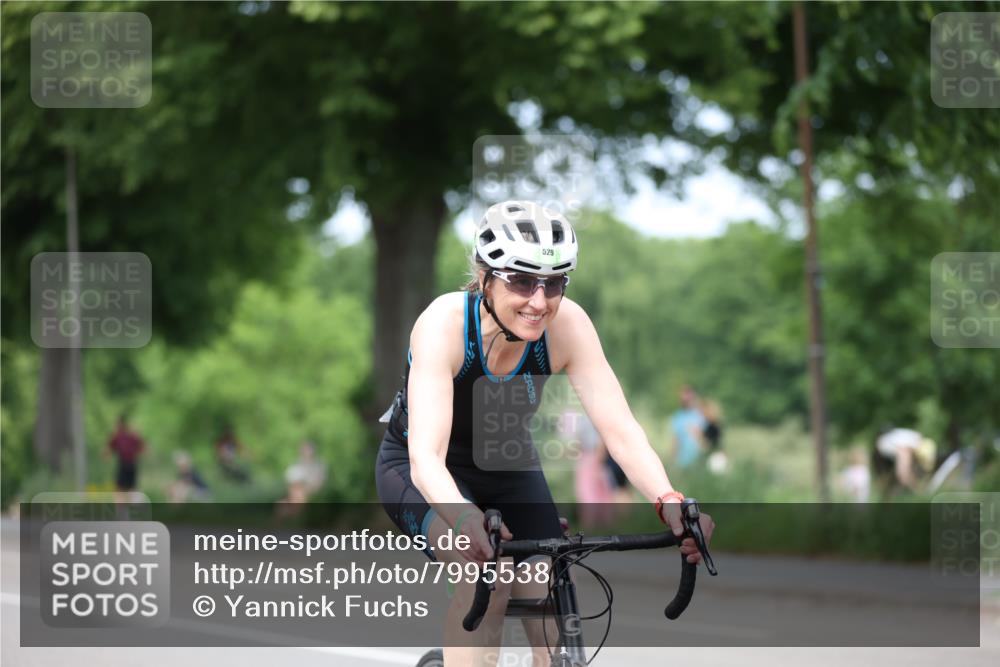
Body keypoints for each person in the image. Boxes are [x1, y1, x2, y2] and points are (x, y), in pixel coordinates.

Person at [374, 200, 715, 667]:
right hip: (422, 472)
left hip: (509, 466)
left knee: (552, 600)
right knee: (487, 582)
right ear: (485, 276)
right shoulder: (444, 325)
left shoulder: (568, 325)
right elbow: (427, 458)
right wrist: (467, 520)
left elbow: (620, 430)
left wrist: (668, 499)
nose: (539, 301)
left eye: (553, 283)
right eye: (521, 280)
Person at [874, 425, 937, 496]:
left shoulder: (909, 440)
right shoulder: (904, 445)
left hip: (891, 445)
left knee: (904, 475)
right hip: (891, 448)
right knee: (903, 475)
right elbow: (903, 474)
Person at [107, 415, 145, 497]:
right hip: (123, 464)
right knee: (121, 489)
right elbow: (109, 449)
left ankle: (132, 505)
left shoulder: (131, 437)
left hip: (130, 464)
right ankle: (123, 508)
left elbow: (144, 449)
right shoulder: (117, 437)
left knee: (129, 488)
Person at [670, 385, 706, 469]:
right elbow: (676, 440)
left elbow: (707, 438)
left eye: (689, 399)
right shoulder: (677, 417)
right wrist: (673, 460)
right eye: (684, 399)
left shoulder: (701, 415)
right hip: (683, 461)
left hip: (699, 460)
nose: (686, 401)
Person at [699, 398, 728, 475]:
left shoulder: (711, 426)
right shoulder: (716, 424)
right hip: (718, 455)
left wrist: (697, 434)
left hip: (715, 456)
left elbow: (707, 443)